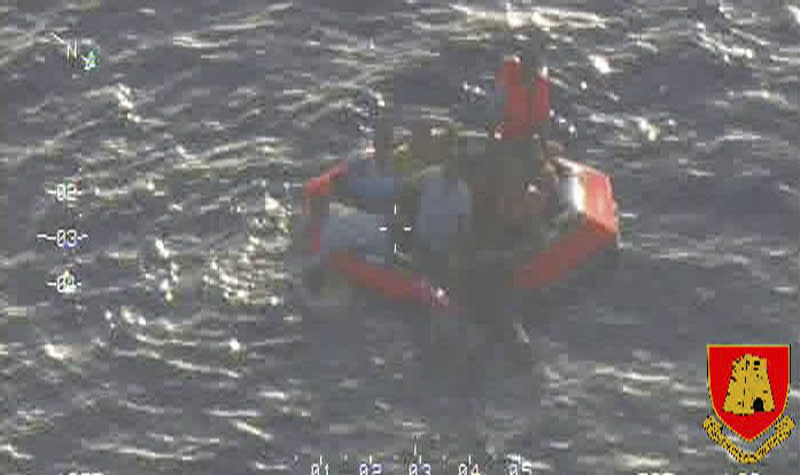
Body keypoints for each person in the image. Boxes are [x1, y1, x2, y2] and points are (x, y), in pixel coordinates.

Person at [412, 126, 472, 285]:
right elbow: (406, 192)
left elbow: (463, 229)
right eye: (451, 159)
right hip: (420, 246)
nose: (453, 165)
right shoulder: (428, 175)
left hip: (444, 256)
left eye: (458, 162)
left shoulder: (464, 192)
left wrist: (455, 256)